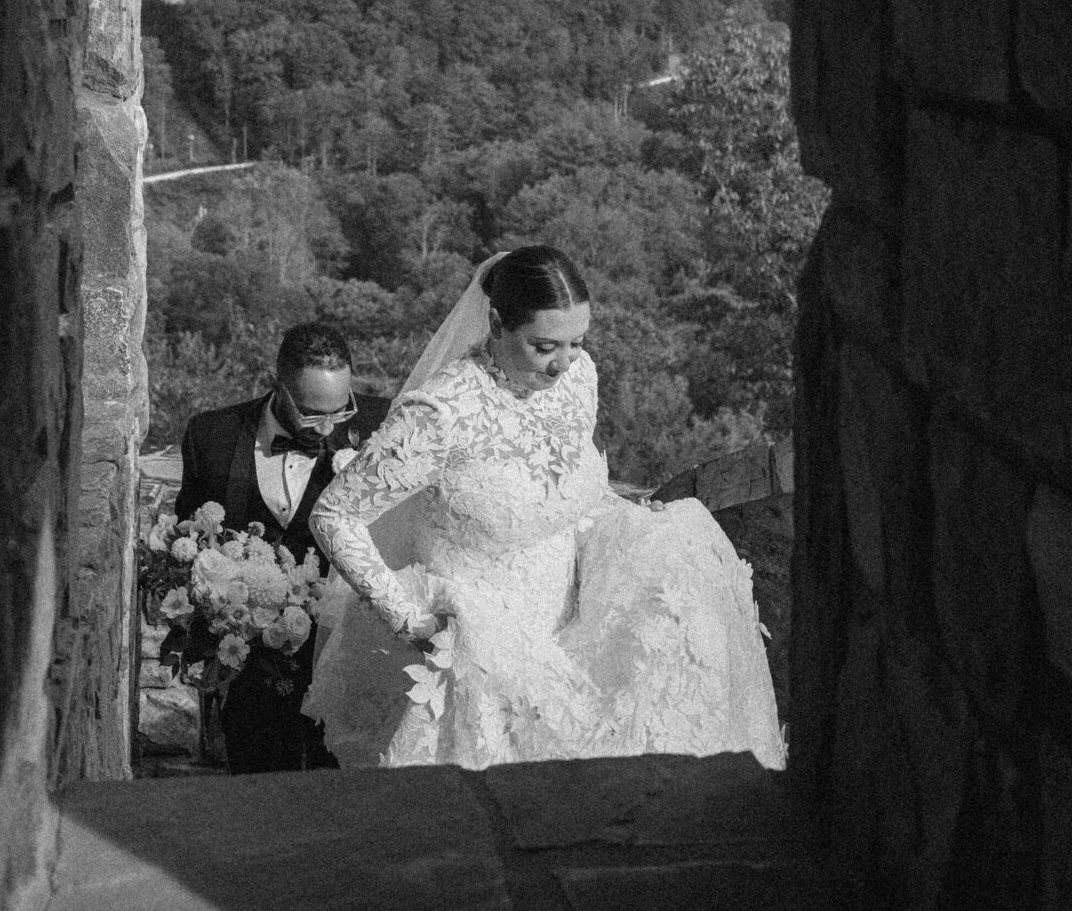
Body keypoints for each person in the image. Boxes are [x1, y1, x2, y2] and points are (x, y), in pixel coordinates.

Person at [306, 247, 785, 770]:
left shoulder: (580, 379)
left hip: (581, 620)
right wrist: (408, 619)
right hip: (483, 645)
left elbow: (561, 488)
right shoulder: (440, 415)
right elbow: (334, 516)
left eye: (577, 342)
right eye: (543, 346)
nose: (563, 363)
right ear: (495, 323)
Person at [175, 321, 389, 773]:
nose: (329, 426)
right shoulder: (211, 436)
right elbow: (189, 540)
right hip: (251, 670)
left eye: (341, 410)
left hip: (347, 661)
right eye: (312, 414)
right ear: (278, 386)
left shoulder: (382, 426)